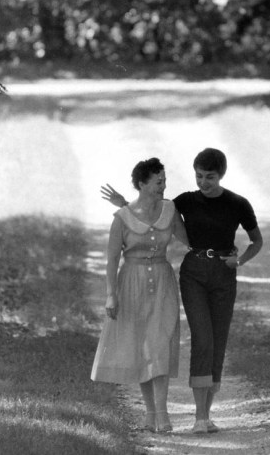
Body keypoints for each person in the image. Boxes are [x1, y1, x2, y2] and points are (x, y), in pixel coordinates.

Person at [101, 147, 263, 434]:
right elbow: (144, 218)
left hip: (200, 277)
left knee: (192, 343)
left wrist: (233, 256)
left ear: (221, 175)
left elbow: (248, 241)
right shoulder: (178, 203)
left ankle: (195, 414)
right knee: (183, 340)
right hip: (171, 277)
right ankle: (179, 416)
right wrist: (124, 204)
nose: (202, 182)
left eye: (209, 177)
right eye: (198, 176)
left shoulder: (224, 204)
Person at [91, 157, 188, 434]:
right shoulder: (122, 218)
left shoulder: (171, 210)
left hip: (162, 282)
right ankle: (150, 414)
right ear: (142, 184)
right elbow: (111, 260)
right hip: (131, 282)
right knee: (142, 348)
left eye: (165, 181)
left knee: (159, 343)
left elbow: (189, 240)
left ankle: (163, 414)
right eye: (158, 182)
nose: (164, 186)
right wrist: (111, 295)